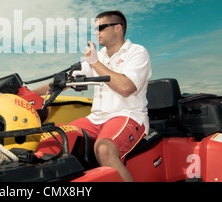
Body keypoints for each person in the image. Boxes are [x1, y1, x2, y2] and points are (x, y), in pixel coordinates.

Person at [33, 10, 151, 182]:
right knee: (53, 138)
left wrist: (95, 62)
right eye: (95, 29)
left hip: (127, 116)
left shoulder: (137, 52)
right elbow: (68, 81)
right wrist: (29, 92)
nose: (96, 33)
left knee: (104, 149)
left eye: (101, 28)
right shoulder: (99, 55)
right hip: (96, 119)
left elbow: (126, 87)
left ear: (118, 28)